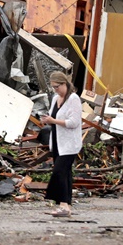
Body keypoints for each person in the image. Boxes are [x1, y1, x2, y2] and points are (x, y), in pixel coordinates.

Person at [39, 70, 83, 217]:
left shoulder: (73, 99)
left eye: (57, 86)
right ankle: (66, 206)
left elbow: (74, 122)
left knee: (59, 171)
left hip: (70, 143)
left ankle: (63, 205)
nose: (56, 90)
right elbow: (53, 115)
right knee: (66, 174)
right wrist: (46, 119)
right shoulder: (55, 98)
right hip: (58, 141)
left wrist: (53, 121)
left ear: (65, 84)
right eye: (53, 87)